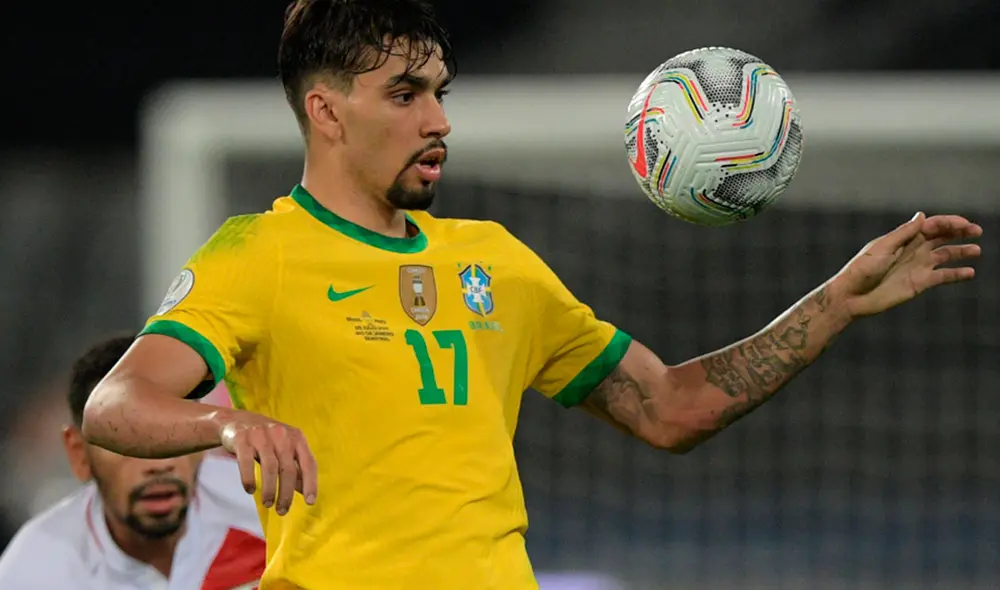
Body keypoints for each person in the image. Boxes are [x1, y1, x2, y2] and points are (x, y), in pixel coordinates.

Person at [79, 1, 984, 588]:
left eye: (440, 92)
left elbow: (671, 407)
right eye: (405, 94)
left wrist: (837, 300)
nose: (439, 120)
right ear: (327, 111)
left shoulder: (497, 262)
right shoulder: (259, 254)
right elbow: (115, 405)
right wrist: (226, 424)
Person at [0, 334, 267, 589]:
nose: (160, 464)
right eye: (127, 443)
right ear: (78, 453)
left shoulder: (267, 511)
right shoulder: (32, 574)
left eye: (175, 436)